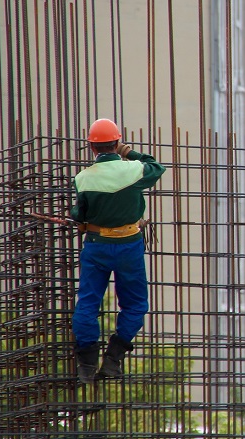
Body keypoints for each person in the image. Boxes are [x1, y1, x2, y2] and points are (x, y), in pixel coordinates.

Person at [71, 118, 166, 384]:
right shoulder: (134, 170)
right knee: (135, 304)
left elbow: (80, 213)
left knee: (88, 303)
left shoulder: (83, 178)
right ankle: (113, 358)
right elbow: (157, 166)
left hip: (97, 245)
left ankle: (87, 365)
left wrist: (79, 218)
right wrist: (128, 152)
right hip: (128, 245)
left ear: (91, 147)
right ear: (117, 142)